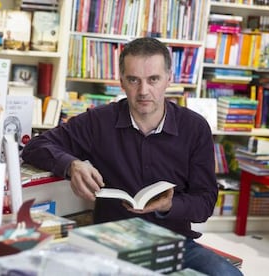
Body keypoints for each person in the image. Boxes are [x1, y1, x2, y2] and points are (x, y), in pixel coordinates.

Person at [22, 37, 243, 275]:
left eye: (153, 79)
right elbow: (35, 146)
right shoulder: (99, 121)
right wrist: (72, 165)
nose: (143, 91)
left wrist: (171, 205)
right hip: (110, 242)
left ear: (169, 79)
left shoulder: (195, 128)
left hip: (174, 242)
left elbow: (205, 203)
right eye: (133, 80)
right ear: (121, 82)